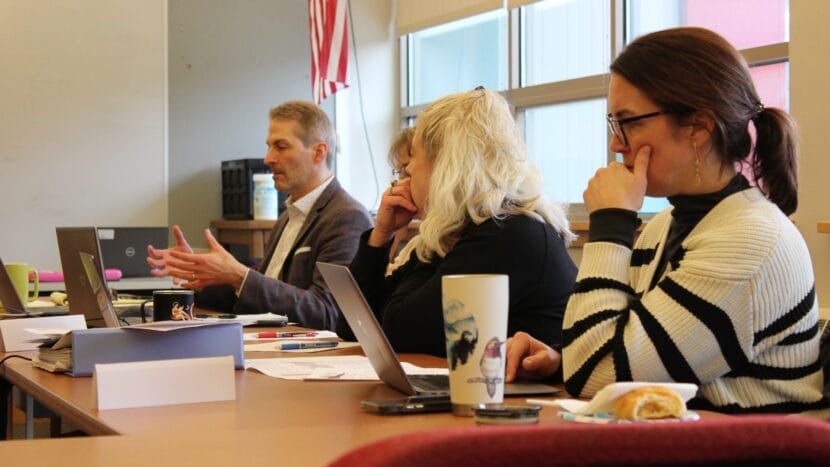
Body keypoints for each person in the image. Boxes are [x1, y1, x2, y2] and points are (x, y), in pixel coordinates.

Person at [506, 27, 827, 413]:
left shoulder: (750, 240)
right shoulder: (666, 226)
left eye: (629, 122)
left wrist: (610, 224)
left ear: (698, 128)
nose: (616, 143)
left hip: (754, 443)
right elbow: (621, 352)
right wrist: (560, 361)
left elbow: (595, 376)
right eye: (614, 123)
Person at [337, 88, 578, 357]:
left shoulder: (508, 233)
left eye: (415, 156)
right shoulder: (465, 229)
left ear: (445, 164)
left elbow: (401, 331)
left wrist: (432, 227)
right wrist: (380, 235)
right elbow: (354, 324)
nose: (409, 170)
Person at [147, 100, 372, 330]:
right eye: (269, 147)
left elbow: (328, 313)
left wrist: (240, 276)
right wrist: (205, 274)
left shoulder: (347, 217)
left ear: (318, 152)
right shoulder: (287, 218)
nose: (268, 159)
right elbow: (262, 300)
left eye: (281, 146)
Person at [385, 127, 419, 275]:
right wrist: (383, 232)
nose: (401, 182)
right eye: (400, 172)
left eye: (407, 169)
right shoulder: (417, 241)